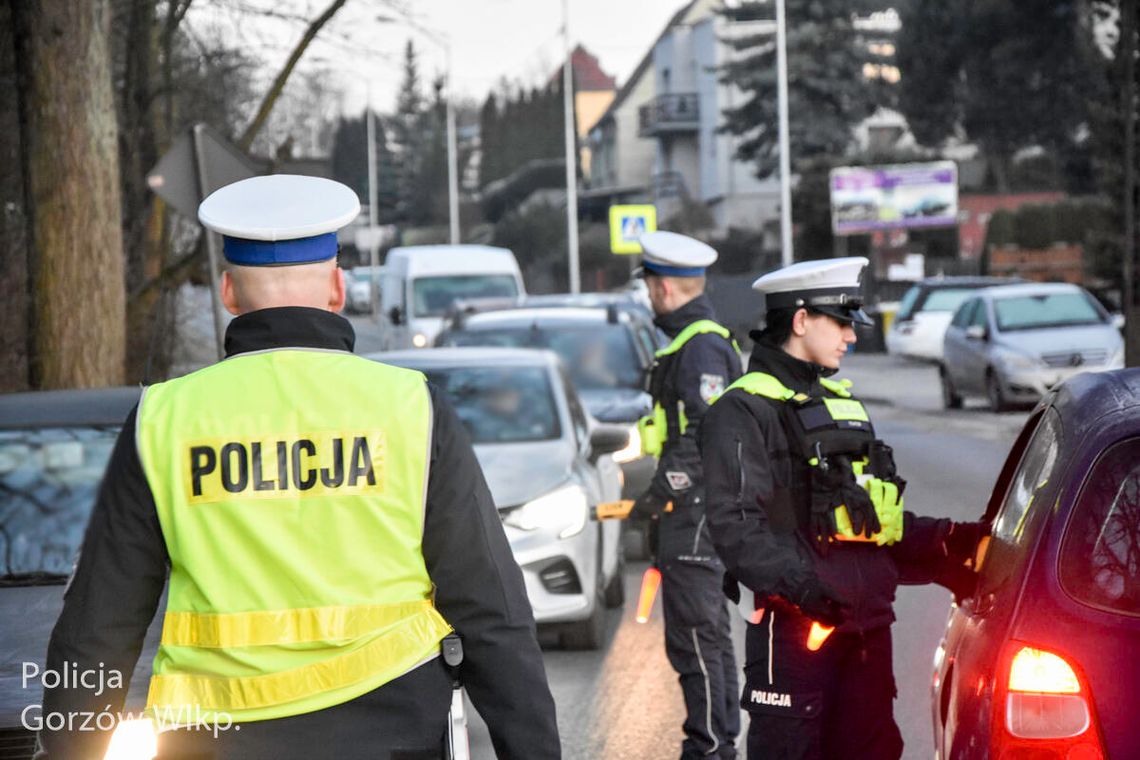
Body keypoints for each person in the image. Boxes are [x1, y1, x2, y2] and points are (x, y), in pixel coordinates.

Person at [38, 175, 560, 760]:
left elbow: (96, 629)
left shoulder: (164, 418)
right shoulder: (411, 407)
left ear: (229, 293)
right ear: (338, 288)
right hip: (391, 736)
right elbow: (492, 608)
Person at [699, 257, 988, 760]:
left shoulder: (842, 406)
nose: (851, 337)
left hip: (868, 634)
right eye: (841, 322)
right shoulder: (743, 410)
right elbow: (736, 528)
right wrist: (804, 590)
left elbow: (871, 529)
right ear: (801, 320)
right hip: (796, 635)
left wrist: (952, 542)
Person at [629, 231, 742, 759]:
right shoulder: (695, 342)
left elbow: (704, 433)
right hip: (698, 510)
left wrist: (660, 493)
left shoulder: (700, 348)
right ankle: (718, 744)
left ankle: (709, 747)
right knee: (709, 638)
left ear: (667, 287)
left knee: (696, 640)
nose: (650, 296)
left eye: (652, 285)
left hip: (695, 513)